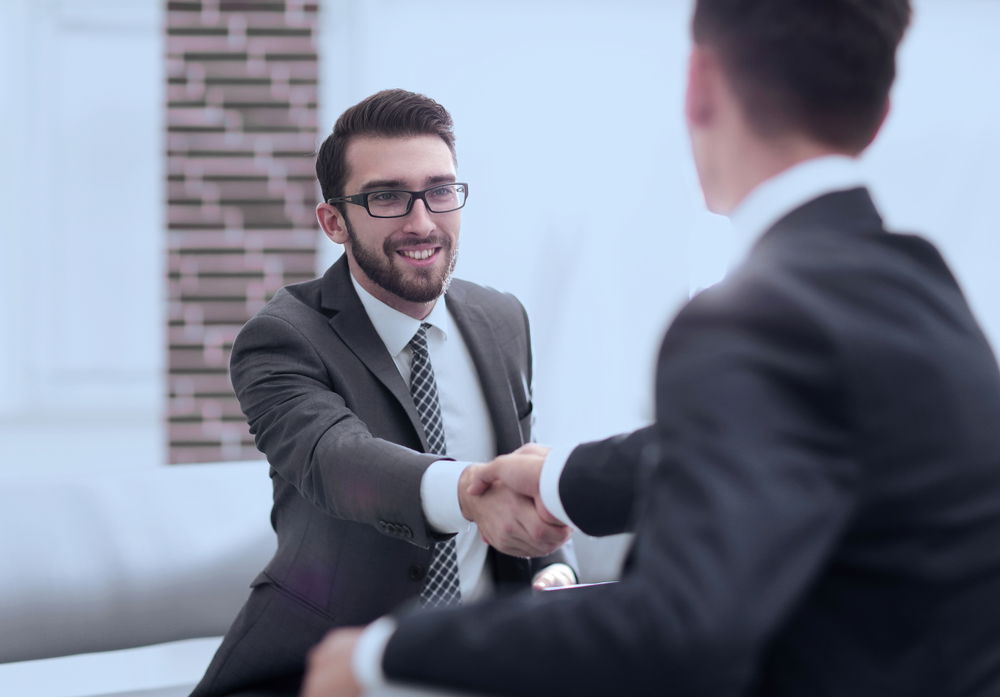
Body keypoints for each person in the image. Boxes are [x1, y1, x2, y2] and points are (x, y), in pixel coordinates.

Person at [301, 2, 1000, 696]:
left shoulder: (747, 321)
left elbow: (677, 631)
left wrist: (382, 656)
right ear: (877, 115)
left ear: (699, 83)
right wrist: (558, 478)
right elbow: (772, 443)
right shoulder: (927, 286)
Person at [190, 89, 575, 697]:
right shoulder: (282, 337)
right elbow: (336, 460)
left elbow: (518, 474)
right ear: (333, 221)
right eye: (386, 197)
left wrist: (553, 568)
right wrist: (467, 493)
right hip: (323, 670)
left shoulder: (501, 319)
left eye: (440, 190)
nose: (421, 221)